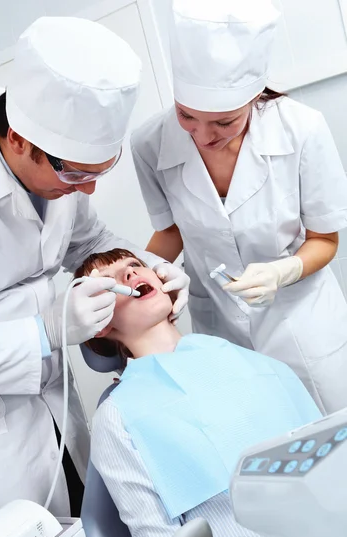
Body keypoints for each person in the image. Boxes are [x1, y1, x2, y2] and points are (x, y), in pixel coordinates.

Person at [0, 16, 189, 517]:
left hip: (53, 397)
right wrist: (47, 330)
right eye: (76, 173)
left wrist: (151, 263)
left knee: (79, 532)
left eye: (101, 171)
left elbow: (93, 241)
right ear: (17, 139)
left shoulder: (58, 175)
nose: (88, 190)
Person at [73, 248, 345, 537]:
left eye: (136, 266)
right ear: (100, 323)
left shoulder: (251, 361)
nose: (129, 275)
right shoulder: (119, 417)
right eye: (109, 283)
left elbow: (336, 476)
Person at [130, 0, 347, 416]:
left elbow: (324, 239)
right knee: (255, 444)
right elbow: (172, 230)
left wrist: (282, 271)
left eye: (224, 122)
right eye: (186, 116)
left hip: (302, 323)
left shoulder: (302, 128)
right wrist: (139, 280)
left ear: (253, 97)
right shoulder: (149, 144)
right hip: (220, 325)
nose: (203, 135)